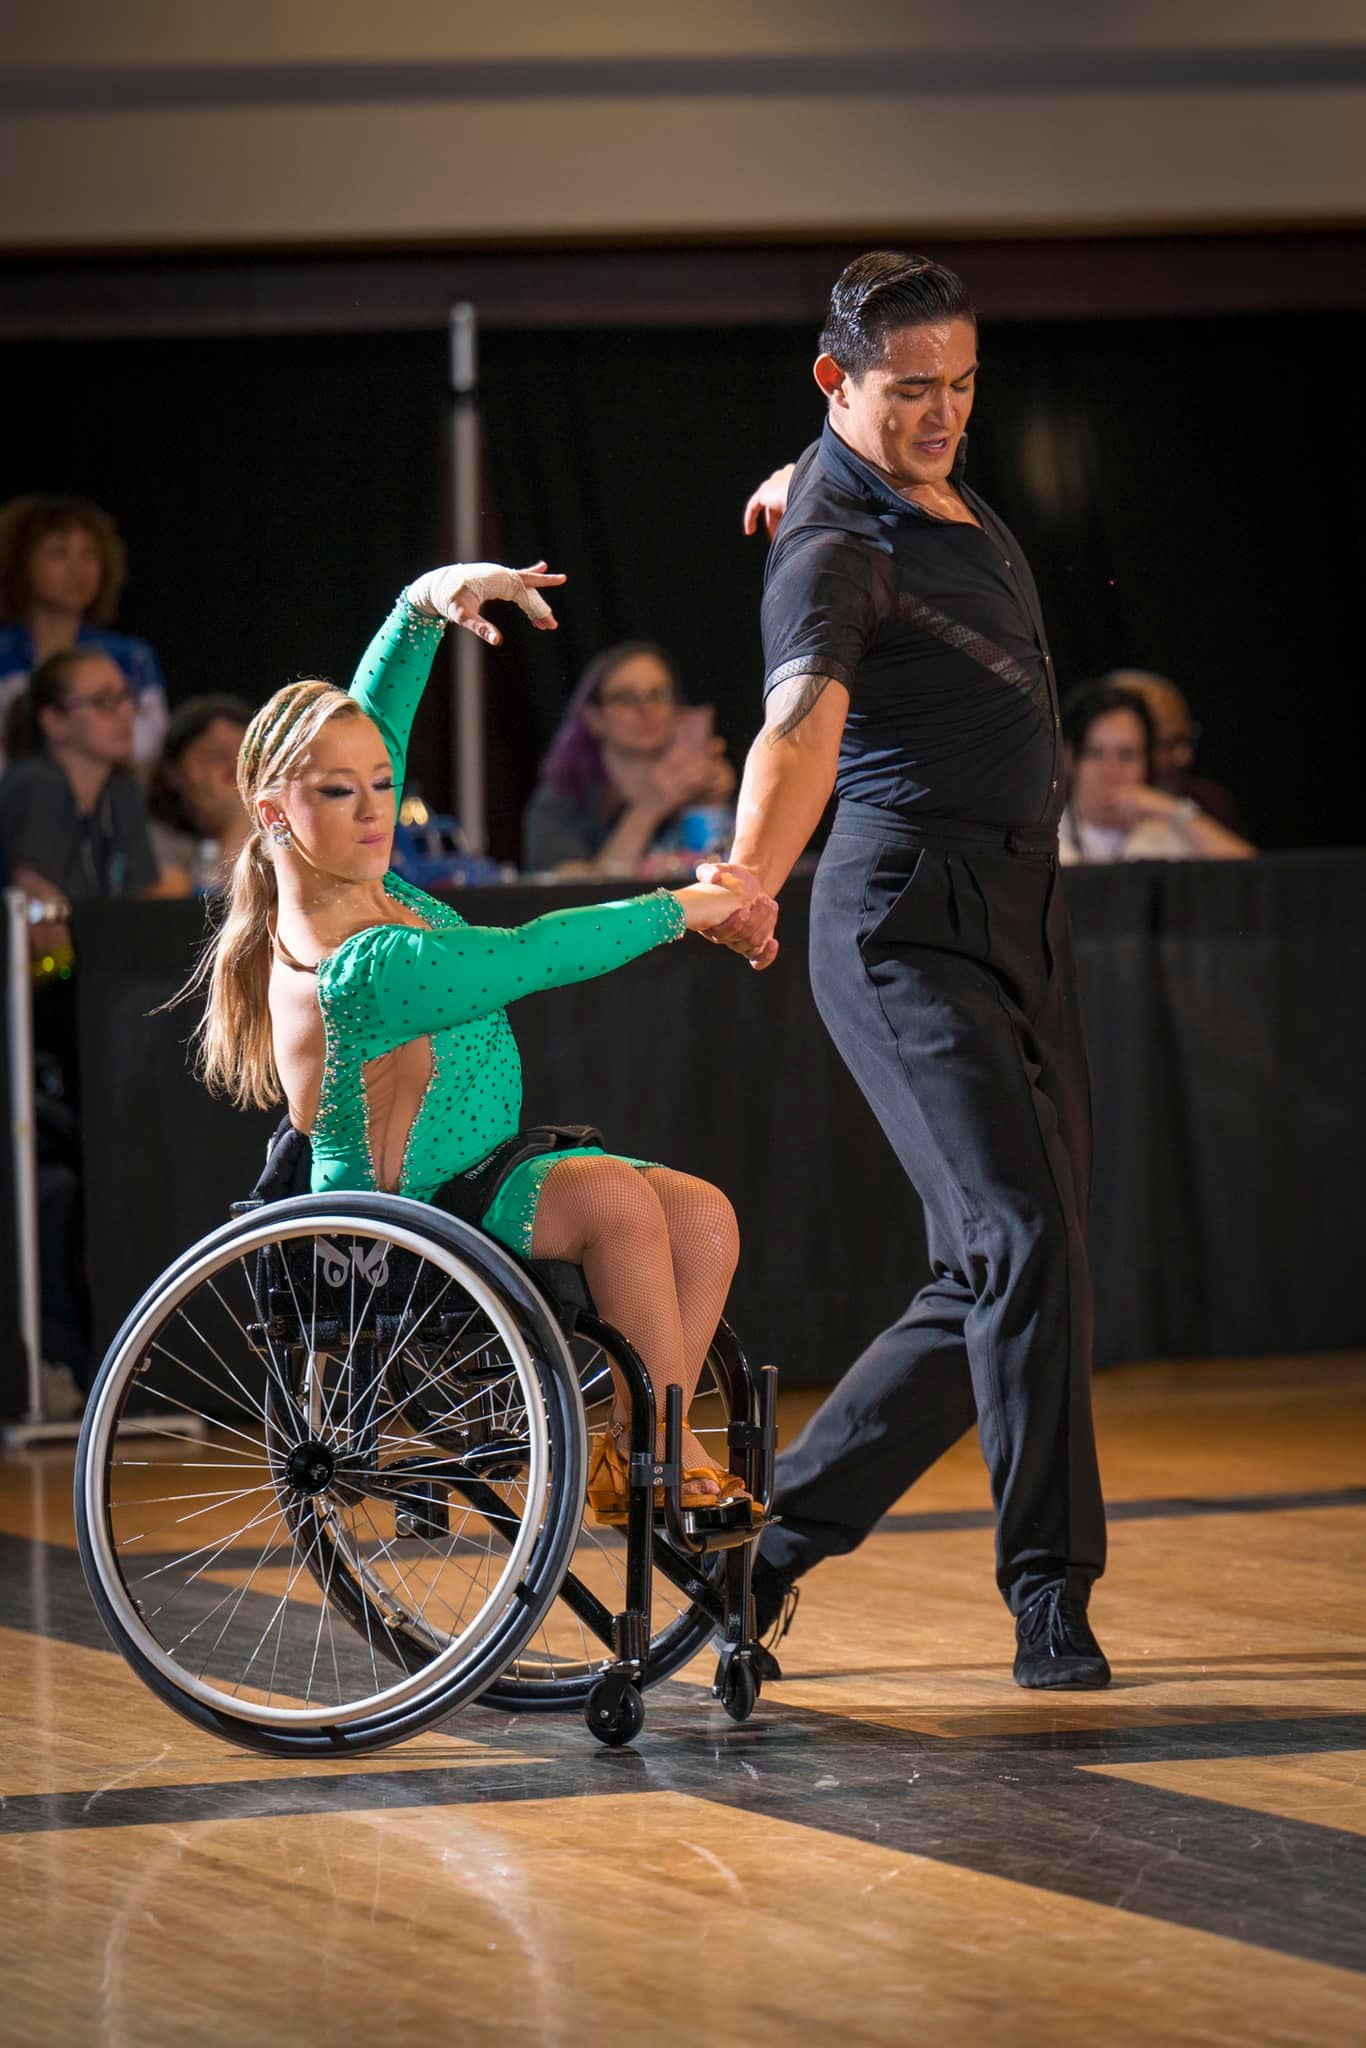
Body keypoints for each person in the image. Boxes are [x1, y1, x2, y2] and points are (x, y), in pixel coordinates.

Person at [704, 250, 1112, 1688]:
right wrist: (749, 873)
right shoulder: (830, 550)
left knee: (1015, 1261)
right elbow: (799, 724)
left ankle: (761, 1554)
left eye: (960, 387)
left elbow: (852, 466)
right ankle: (1046, 1594)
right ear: (837, 382)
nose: (942, 416)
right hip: (898, 920)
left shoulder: (886, 482)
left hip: (1021, 914)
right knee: (1019, 1243)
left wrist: (814, 458)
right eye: (909, 393)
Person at [190, 562, 774, 1521]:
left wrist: (422, 604)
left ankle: (634, 1450)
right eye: (343, 793)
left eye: (385, 782)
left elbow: (363, 721)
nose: (376, 806)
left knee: (704, 1214)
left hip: (479, 1180)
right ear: (274, 815)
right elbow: (537, 951)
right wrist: (686, 907)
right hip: (398, 1231)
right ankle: (662, 1453)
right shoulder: (362, 958)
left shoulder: (366, 886)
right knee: (616, 1200)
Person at [0, 646, 161, 964]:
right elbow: (43, 924)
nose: (126, 711)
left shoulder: (121, 794)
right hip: (37, 992)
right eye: (105, 702)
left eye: (126, 696)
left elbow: (143, 907)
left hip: (100, 985)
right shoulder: (35, 784)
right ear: (54, 722)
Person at [522, 640, 736, 874]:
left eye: (659, 694)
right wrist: (648, 809)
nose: (646, 709)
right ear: (594, 718)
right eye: (626, 698)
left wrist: (714, 806)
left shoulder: (695, 790)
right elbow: (575, 896)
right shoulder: (560, 803)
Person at [0, 495, 169, 771]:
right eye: (59, 553)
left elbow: (150, 746)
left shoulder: (131, 657)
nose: (77, 570)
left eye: (89, 554)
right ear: (19, 562)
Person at [1059, 680, 1254, 864]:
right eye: (1095, 753)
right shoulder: (1043, 839)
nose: (1111, 771)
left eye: (1127, 755)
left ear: (1148, 761)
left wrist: (1174, 811)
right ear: (1069, 758)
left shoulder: (1168, 835)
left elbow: (1253, 879)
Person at [1103, 667, 1248, 836]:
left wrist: (1178, 813)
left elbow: (1247, 861)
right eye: (1167, 744)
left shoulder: (1208, 802)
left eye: (1186, 739)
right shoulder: (1071, 814)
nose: (1185, 757)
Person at [146, 693, 253, 892]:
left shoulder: (279, 830)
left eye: (245, 756)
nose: (234, 770)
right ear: (174, 773)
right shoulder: (153, 836)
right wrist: (236, 820)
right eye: (215, 757)